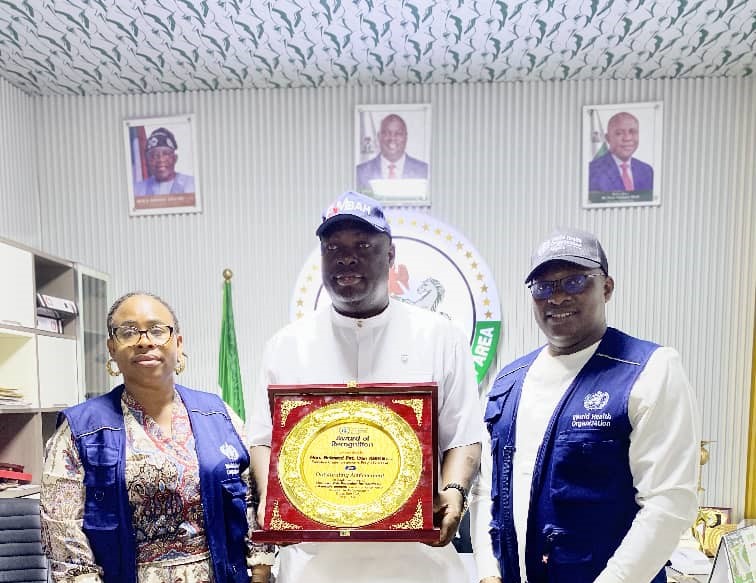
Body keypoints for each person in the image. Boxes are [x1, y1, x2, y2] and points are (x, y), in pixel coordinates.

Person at [249, 191, 482, 583]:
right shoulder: (286, 345)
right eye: (333, 248)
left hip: (418, 565)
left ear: (390, 255)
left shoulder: (440, 337)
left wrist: (455, 491)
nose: (346, 258)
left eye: (363, 245)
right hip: (315, 567)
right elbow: (263, 439)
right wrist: (270, 500)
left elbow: (464, 435)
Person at [470, 228, 699, 583]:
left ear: (606, 287)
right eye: (543, 287)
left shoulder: (650, 370)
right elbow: (487, 491)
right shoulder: (508, 381)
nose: (558, 297)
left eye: (575, 281)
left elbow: (667, 505)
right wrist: (489, 573)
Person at [40, 292, 274, 583]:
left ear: (178, 343)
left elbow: (250, 497)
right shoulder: (80, 429)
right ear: (112, 348)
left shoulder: (218, 414)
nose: (144, 341)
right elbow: (63, 533)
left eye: (157, 330)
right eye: (128, 332)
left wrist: (260, 571)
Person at [356, 114, 429, 192]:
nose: (392, 138)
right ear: (379, 136)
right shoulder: (359, 172)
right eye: (387, 133)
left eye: (398, 134)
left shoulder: (424, 171)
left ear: (406, 137)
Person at [589, 112, 653, 193]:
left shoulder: (647, 170)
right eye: (619, 133)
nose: (627, 138)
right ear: (607, 138)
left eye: (632, 132)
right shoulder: (592, 171)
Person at [134, 127, 196, 195]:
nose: (160, 159)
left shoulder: (193, 184)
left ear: (175, 158)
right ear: (147, 161)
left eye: (166, 154)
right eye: (154, 155)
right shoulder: (137, 190)